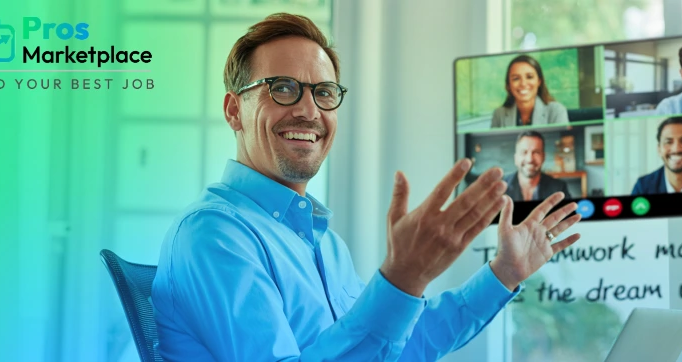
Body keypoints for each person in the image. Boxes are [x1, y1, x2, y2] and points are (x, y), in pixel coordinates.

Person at [151, 13, 583, 362]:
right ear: (233, 110)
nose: (308, 110)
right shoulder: (213, 235)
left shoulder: (326, 245)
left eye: (324, 92)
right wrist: (403, 277)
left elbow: (400, 347)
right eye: (282, 89)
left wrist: (504, 274)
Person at [491, 55, 569, 128]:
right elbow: (493, 142)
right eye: (516, 78)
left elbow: (565, 142)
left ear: (539, 81)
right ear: (508, 85)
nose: (523, 84)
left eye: (529, 77)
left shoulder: (556, 111)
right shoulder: (499, 114)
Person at [503, 130, 571, 201]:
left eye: (536, 152)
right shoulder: (500, 189)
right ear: (516, 158)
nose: (530, 159)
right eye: (524, 152)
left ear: (543, 157)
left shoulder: (559, 189)